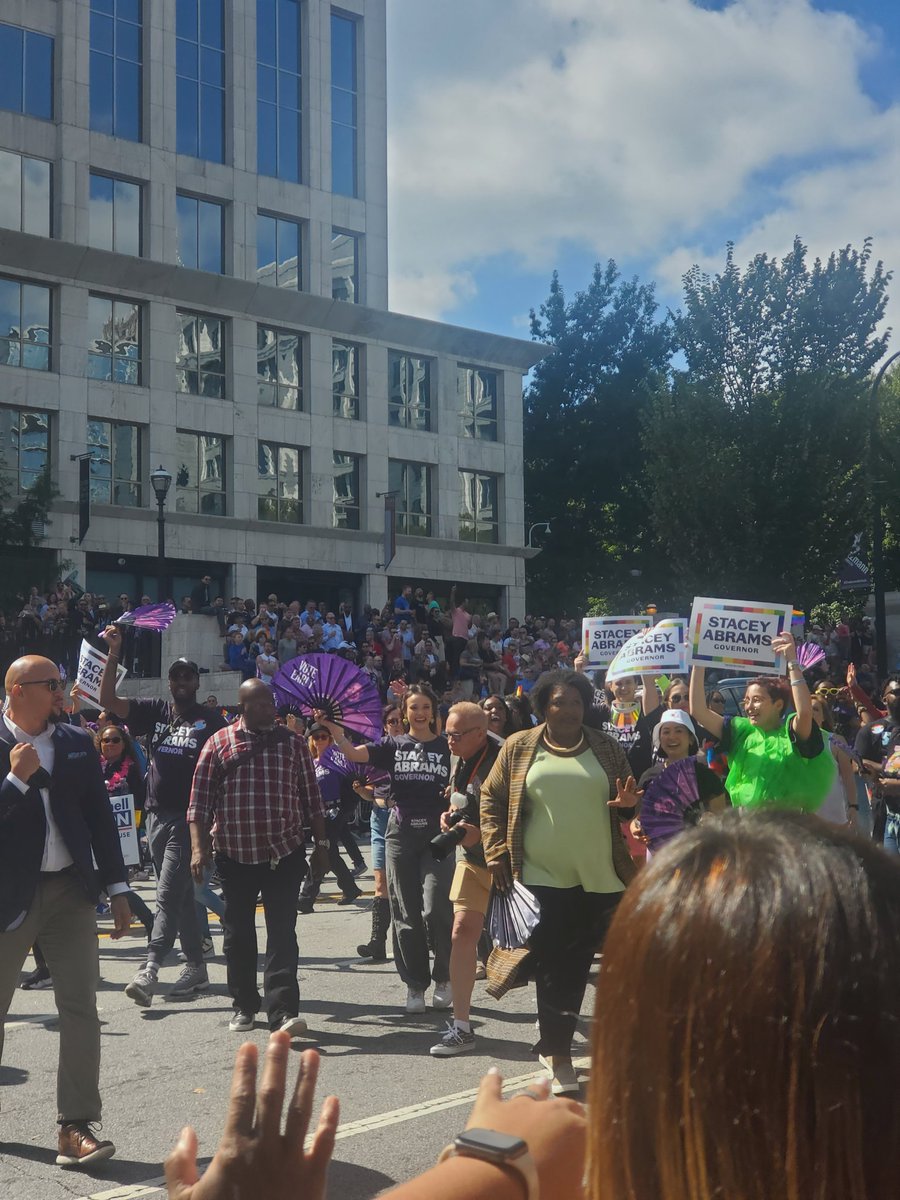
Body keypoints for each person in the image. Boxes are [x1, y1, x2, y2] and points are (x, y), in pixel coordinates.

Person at [0, 655, 131, 1167]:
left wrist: (117, 888)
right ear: (16, 691)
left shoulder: (77, 741)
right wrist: (14, 782)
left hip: (71, 893)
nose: (62, 691)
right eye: (51, 684)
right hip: (9, 895)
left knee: (81, 1008)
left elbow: (100, 816)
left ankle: (74, 1126)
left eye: (61, 682)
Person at [480, 668, 638, 1095]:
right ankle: (558, 1054)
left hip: (603, 877)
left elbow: (631, 806)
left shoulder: (606, 747)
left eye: (575, 702)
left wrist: (627, 808)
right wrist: (495, 852)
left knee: (609, 968)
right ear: (542, 706)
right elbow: (491, 799)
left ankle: (602, 1045)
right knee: (558, 969)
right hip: (540, 877)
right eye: (558, 702)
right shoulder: (519, 747)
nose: (568, 710)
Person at [188, 680, 330, 1036]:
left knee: (283, 933)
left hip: (285, 851)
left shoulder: (293, 742)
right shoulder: (219, 743)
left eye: (272, 702)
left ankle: (282, 1013)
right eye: (265, 704)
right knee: (238, 934)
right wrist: (198, 849)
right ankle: (244, 1006)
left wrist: (323, 845)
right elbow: (198, 805)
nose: (273, 708)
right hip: (235, 855)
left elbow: (311, 798)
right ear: (245, 708)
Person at [99, 630, 229, 1006]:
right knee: (185, 895)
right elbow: (107, 699)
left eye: (188, 676)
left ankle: (151, 966)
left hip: (190, 819)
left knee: (168, 893)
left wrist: (215, 820)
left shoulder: (212, 722)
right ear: (169, 682)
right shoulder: (154, 710)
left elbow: (224, 769)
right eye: (176, 676)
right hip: (154, 817)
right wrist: (114, 652)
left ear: (197, 682)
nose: (182, 682)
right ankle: (197, 967)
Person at [315, 684, 453, 1014]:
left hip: (439, 835)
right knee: (405, 912)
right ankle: (415, 985)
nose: (419, 713)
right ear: (403, 713)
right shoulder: (392, 744)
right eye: (413, 708)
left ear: (433, 712)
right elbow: (353, 753)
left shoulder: (448, 746)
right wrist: (334, 729)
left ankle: (445, 979)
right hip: (400, 834)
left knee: (437, 909)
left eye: (424, 707)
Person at [689, 630, 835, 811]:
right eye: (747, 700)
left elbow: (804, 713)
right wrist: (698, 661)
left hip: (785, 829)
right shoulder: (739, 731)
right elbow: (698, 711)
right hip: (749, 829)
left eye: (757, 700)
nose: (749, 707)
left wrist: (792, 662)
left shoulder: (791, 733)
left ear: (778, 704)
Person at [429, 702, 503, 1058]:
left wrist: (483, 837)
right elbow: (462, 798)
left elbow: (526, 816)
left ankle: (551, 1021)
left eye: (456, 735)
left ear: (481, 732)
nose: (449, 741)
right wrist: (450, 817)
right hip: (472, 860)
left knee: (532, 944)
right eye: (447, 734)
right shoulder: (460, 757)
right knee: (461, 931)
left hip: (510, 864)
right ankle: (461, 1026)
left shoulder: (507, 759)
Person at [632, 708, 727, 851]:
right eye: (666, 732)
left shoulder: (705, 774)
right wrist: (636, 829)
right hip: (659, 854)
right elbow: (639, 818)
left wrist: (709, 820)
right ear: (660, 739)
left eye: (678, 731)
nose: (672, 737)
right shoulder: (649, 776)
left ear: (690, 739)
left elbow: (721, 816)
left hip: (695, 852)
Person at [95, 723, 156, 937]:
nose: (110, 744)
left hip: (123, 834)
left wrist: (136, 829)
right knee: (106, 881)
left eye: (115, 740)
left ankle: (148, 919)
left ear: (124, 743)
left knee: (116, 882)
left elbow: (140, 801)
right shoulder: (94, 766)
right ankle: (147, 918)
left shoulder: (131, 768)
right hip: (98, 831)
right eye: (105, 740)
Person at [295, 725, 363, 913]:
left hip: (337, 811)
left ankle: (306, 897)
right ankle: (350, 888)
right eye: (316, 737)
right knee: (330, 852)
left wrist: (345, 810)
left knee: (322, 849)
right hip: (318, 813)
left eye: (324, 737)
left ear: (330, 739)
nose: (319, 740)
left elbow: (353, 785)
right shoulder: (311, 763)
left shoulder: (338, 761)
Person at [355, 704, 403, 961]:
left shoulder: (413, 748)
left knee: (407, 883)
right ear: (384, 725)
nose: (396, 725)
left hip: (406, 818)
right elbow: (375, 792)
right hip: (379, 818)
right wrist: (365, 794)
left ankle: (416, 936)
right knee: (380, 883)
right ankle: (377, 941)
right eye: (391, 721)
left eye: (400, 720)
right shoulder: (378, 750)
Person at [855, 673, 900, 850]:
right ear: (884, 699)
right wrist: (872, 772)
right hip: (886, 812)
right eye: (896, 691)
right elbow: (856, 763)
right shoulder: (870, 731)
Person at [809, 693, 858, 828]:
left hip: (835, 819)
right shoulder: (790, 742)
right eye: (806, 708)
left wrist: (853, 806)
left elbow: (848, 778)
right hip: (805, 821)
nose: (811, 712)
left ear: (824, 716)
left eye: (816, 709)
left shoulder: (836, 741)